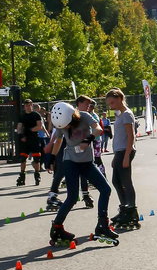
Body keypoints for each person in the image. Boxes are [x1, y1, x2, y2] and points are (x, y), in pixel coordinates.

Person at [48, 101, 118, 247]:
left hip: (87, 163)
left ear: (72, 117)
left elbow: (98, 129)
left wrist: (88, 139)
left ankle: (102, 225)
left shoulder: (85, 116)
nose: (66, 128)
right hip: (70, 163)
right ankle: (57, 228)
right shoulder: (61, 123)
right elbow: (59, 140)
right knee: (72, 197)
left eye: (67, 125)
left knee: (106, 189)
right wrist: (52, 158)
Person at [107, 88, 140, 230]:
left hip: (125, 151)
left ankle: (131, 211)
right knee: (116, 181)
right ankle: (124, 208)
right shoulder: (120, 114)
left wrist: (126, 155)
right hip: (119, 152)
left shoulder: (127, 114)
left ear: (120, 98)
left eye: (113, 102)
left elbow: (130, 136)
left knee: (126, 182)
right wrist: (116, 156)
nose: (111, 106)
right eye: (109, 104)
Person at [15, 100, 44, 186]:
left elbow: (39, 126)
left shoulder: (36, 115)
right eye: (26, 105)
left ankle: (37, 174)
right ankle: (22, 175)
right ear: (24, 106)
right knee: (23, 158)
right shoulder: (22, 116)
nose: (28, 107)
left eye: (29, 105)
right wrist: (21, 135)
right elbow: (19, 127)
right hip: (25, 139)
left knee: (36, 158)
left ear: (31, 105)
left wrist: (30, 130)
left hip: (34, 138)